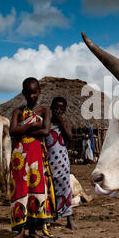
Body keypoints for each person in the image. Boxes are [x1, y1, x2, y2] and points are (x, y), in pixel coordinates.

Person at [8, 77, 57, 238]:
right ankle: (20, 230)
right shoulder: (17, 111)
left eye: (34, 92)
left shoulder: (44, 110)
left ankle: (34, 231)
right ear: (23, 93)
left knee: (37, 191)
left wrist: (23, 131)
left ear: (39, 92)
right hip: (19, 157)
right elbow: (12, 131)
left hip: (36, 155)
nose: (31, 96)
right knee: (20, 191)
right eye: (28, 92)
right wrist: (31, 126)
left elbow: (45, 131)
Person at [46, 97, 77, 229]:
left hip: (62, 161)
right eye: (56, 108)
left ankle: (69, 219)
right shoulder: (46, 122)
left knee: (65, 189)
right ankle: (49, 217)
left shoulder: (66, 123)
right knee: (49, 189)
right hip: (48, 160)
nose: (58, 111)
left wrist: (61, 122)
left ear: (64, 110)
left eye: (61, 109)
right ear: (51, 108)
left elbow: (69, 138)